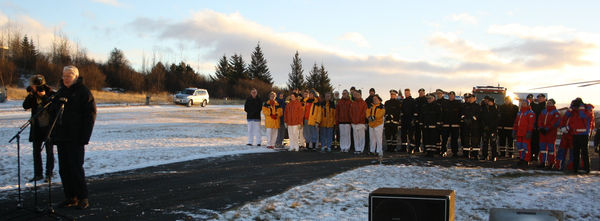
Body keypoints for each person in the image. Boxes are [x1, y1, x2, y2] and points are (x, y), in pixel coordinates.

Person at [52, 65, 96, 209]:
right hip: (62, 137)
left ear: (75, 77)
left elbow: (90, 116)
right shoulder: (60, 92)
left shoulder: (83, 92)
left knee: (76, 168)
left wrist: (84, 137)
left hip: (76, 138)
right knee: (64, 169)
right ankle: (70, 197)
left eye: (68, 76)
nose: (65, 79)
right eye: (64, 76)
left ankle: (83, 197)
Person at [22, 74, 56, 182]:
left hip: (48, 126)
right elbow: (25, 106)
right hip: (36, 127)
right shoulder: (33, 94)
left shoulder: (51, 93)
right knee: (36, 152)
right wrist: (31, 94)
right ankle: (38, 174)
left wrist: (44, 96)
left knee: (49, 152)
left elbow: (53, 108)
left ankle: (49, 174)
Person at [565, 98, 594, 173]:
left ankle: (587, 168)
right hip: (575, 134)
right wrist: (571, 107)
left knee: (584, 152)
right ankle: (575, 168)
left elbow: (583, 116)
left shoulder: (588, 109)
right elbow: (567, 115)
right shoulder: (575, 111)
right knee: (575, 152)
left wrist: (581, 107)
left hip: (584, 134)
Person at [537, 99, 561, 168]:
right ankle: (542, 162)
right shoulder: (544, 111)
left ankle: (551, 163)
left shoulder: (555, 112)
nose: (548, 104)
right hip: (543, 133)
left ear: (553, 104)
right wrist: (541, 127)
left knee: (551, 149)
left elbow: (555, 122)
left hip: (551, 133)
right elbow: (540, 120)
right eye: (548, 103)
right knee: (542, 149)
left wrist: (547, 128)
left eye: (550, 103)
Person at [514, 99, 535, 166]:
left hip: (525, 133)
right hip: (519, 132)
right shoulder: (519, 113)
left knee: (526, 147)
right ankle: (521, 158)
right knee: (520, 146)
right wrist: (514, 130)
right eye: (522, 103)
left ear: (528, 104)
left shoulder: (530, 113)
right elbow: (516, 123)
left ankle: (526, 160)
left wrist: (529, 132)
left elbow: (531, 124)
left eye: (524, 103)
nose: (523, 104)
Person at [441, 91, 461, 157]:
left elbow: (460, 114)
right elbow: (442, 113)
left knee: (454, 139)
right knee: (444, 139)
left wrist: (459, 122)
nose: (451, 96)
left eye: (452, 95)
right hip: (446, 124)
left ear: (454, 96)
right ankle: (443, 151)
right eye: (450, 95)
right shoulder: (445, 103)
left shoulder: (458, 103)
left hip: (455, 125)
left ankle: (454, 152)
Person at [461, 93, 481, 159]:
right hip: (466, 125)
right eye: (469, 98)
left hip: (475, 126)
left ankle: (475, 154)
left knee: (475, 140)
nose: (470, 99)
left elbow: (479, 115)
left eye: (472, 98)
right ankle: (466, 153)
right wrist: (465, 119)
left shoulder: (477, 106)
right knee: (466, 139)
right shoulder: (465, 106)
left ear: (475, 99)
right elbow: (462, 114)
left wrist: (473, 119)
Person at [481, 96, 500, 161]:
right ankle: (484, 155)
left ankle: (494, 156)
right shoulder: (484, 108)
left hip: (493, 129)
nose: (489, 103)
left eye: (490, 102)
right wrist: (484, 126)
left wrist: (491, 126)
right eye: (488, 102)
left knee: (493, 143)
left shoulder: (496, 109)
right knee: (485, 142)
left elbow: (496, 120)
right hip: (485, 129)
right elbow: (482, 118)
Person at [350, 90, 368, 154]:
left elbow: (364, 113)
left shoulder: (364, 103)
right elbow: (351, 112)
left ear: (360, 95)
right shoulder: (353, 103)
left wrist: (359, 120)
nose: (357, 96)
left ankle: (361, 149)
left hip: (361, 123)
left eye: (358, 94)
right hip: (354, 123)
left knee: (361, 137)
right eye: (356, 95)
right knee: (356, 137)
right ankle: (357, 148)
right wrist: (353, 120)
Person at [530, 94, 547, 160]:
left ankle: (536, 156)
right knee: (533, 142)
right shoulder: (537, 106)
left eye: (541, 98)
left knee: (538, 143)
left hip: (540, 128)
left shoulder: (544, 107)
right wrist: (531, 102)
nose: (539, 99)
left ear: (544, 99)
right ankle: (532, 155)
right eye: (539, 97)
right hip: (534, 127)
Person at [400, 89, 416, 153]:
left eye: (407, 93)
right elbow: (401, 111)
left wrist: (413, 120)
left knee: (411, 135)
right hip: (404, 120)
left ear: (409, 93)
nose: (406, 94)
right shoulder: (403, 101)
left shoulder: (413, 101)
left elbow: (415, 111)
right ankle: (404, 148)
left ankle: (411, 148)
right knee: (403, 135)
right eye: (405, 93)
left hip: (410, 120)